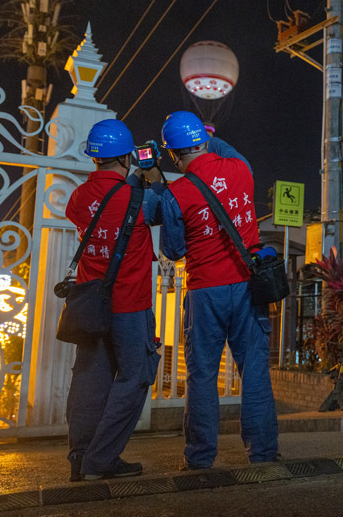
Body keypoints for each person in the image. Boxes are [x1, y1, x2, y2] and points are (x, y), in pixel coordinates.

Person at [141, 112, 278, 470]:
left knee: (201, 375)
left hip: (205, 293)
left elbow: (173, 251)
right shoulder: (241, 169)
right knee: (255, 371)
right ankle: (263, 453)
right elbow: (222, 148)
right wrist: (206, 135)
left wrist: (156, 182)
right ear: (205, 139)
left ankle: (200, 458)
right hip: (248, 287)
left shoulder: (176, 193)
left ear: (173, 154)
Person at [64, 118, 159, 482]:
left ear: (94, 158)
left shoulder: (78, 198)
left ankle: (80, 455)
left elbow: (92, 208)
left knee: (90, 379)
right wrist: (148, 175)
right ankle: (101, 460)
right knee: (135, 378)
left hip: (91, 305)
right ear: (128, 157)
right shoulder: (140, 199)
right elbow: (164, 207)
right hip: (130, 306)